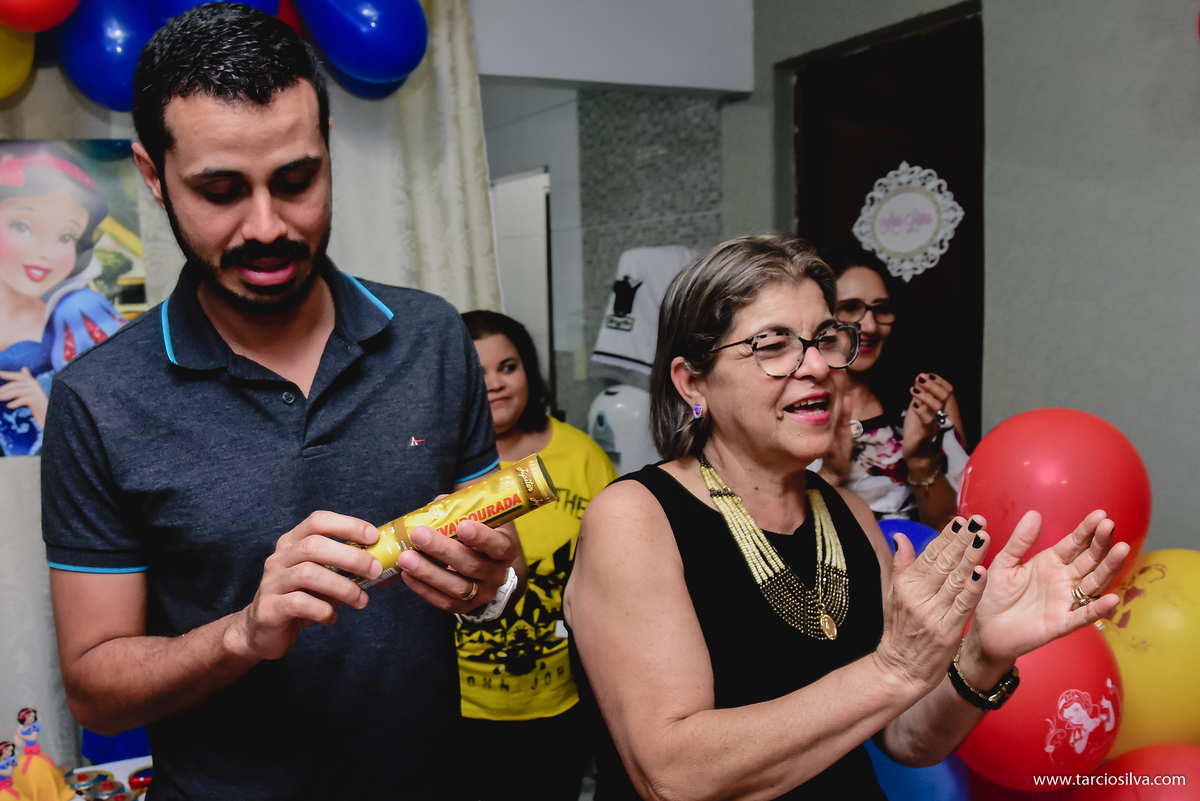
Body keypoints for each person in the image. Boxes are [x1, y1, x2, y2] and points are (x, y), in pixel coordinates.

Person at [39, 5, 523, 798]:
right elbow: (95, 683)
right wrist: (244, 633)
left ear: (327, 143)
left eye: (296, 180)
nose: (267, 226)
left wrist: (491, 588)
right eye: (220, 190)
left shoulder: (434, 336)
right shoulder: (98, 400)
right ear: (154, 175)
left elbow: (495, 568)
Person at [563, 235, 1129, 800]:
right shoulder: (636, 518)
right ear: (694, 382)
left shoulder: (851, 517)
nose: (817, 367)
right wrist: (893, 671)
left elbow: (905, 739)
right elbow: (673, 775)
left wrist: (983, 653)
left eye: (824, 340)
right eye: (773, 344)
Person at [456, 310, 618, 801]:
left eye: (508, 366)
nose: (496, 384)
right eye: (476, 372)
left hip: (562, 701)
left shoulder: (584, 456)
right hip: (459, 707)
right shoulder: (436, 460)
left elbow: (613, 581)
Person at [815, 245, 967, 531]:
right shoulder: (797, 402)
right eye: (850, 308)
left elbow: (954, 528)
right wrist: (831, 474)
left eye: (882, 310)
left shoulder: (927, 401)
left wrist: (920, 458)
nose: (870, 325)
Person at [0, 142, 126, 457]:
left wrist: (43, 407)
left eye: (66, 236)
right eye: (22, 225)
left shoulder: (77, 315)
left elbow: (115, 433)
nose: (45, 252)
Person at [10, 710, 72, 801]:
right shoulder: (23, 729)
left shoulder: (34, 727)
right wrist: (16, 734)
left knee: (44, 771)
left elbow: (32, 737)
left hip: (37, 754)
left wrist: (20, 734)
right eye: (29, 716)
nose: (31, 718)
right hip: (26, 756)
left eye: (33, 716)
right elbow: (18, 743)